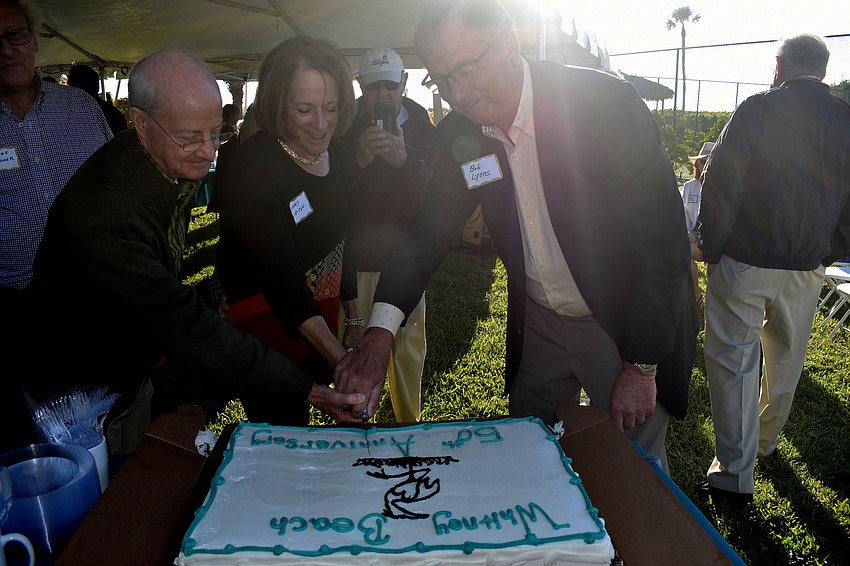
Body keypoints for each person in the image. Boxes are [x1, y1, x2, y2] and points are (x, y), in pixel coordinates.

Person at [335, 0, 697, 472]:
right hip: (541, 321)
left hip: (622, 318)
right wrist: (378, 336)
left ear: (508, 44)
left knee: (633, 467)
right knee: (528, 450)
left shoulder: (603, 106)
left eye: (465, 69)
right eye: (441, 79)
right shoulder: (458, 138)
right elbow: (426, 234)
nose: (456, 93)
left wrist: (643, 365)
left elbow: (662, 245)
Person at [11, 49, 364, 456]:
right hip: (72, 392)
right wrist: (311, 392)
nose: (209, 151)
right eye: (190, 138)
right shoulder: (107, 216)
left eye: (216, 133)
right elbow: (187, 325)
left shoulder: (157, 161)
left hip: (124, 366)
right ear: (140, 123)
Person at [695, 33, 850, 507]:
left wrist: (709, 242)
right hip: (808, 263)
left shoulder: (759, 107)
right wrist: (831, 249)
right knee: (785, 357)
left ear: (779, 64)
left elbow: (723, 179)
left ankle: (734, 475)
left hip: (748, 259)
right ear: (822, 69)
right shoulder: (846, 117)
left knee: (734, 363)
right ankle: (764, 442)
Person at [211, 36, 363, 426]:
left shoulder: (337, 154)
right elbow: (280, 277)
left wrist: (355, 323)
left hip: (318, 322)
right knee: (284, 432)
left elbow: (339, 244)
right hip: (266, 327)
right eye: (305, 110)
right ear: (278, 105)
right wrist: (344, 363)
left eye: (331, 108)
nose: (322, 123)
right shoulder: (254, 166)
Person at [336, 46, 436, 422]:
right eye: (374, 87)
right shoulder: (344, 127)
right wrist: (358, 158)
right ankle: (352, 421)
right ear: (361, 86)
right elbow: (328, 195)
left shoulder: (424, 129)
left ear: (404, 84)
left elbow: (441, 198)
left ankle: (410, 426)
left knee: (408, 352)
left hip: (406, 262)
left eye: (390, 87)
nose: (383, 97)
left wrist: (405, 162)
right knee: (353, 351)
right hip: (356, 263)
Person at [0, 0, 112, 294]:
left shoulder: (83, 107)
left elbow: (118, 186)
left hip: (94, 285)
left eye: (15, 34)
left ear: (35, 42)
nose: (6, 49)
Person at [680, 141, 714, 305]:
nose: (705, 164)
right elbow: (685, 216)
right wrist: (688, 234)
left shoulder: (722, 188)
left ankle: (711, 297)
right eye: (702, 161)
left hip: (714, 238)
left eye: (709, 160)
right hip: (694, 236)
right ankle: (696, 294)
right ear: (697, 165)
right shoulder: (689, 187)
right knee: (681, 247)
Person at [67, 63, 129, 135]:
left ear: (81, 87)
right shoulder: (111, 111)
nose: (67, 91)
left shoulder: (82, 115)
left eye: (70, 86)